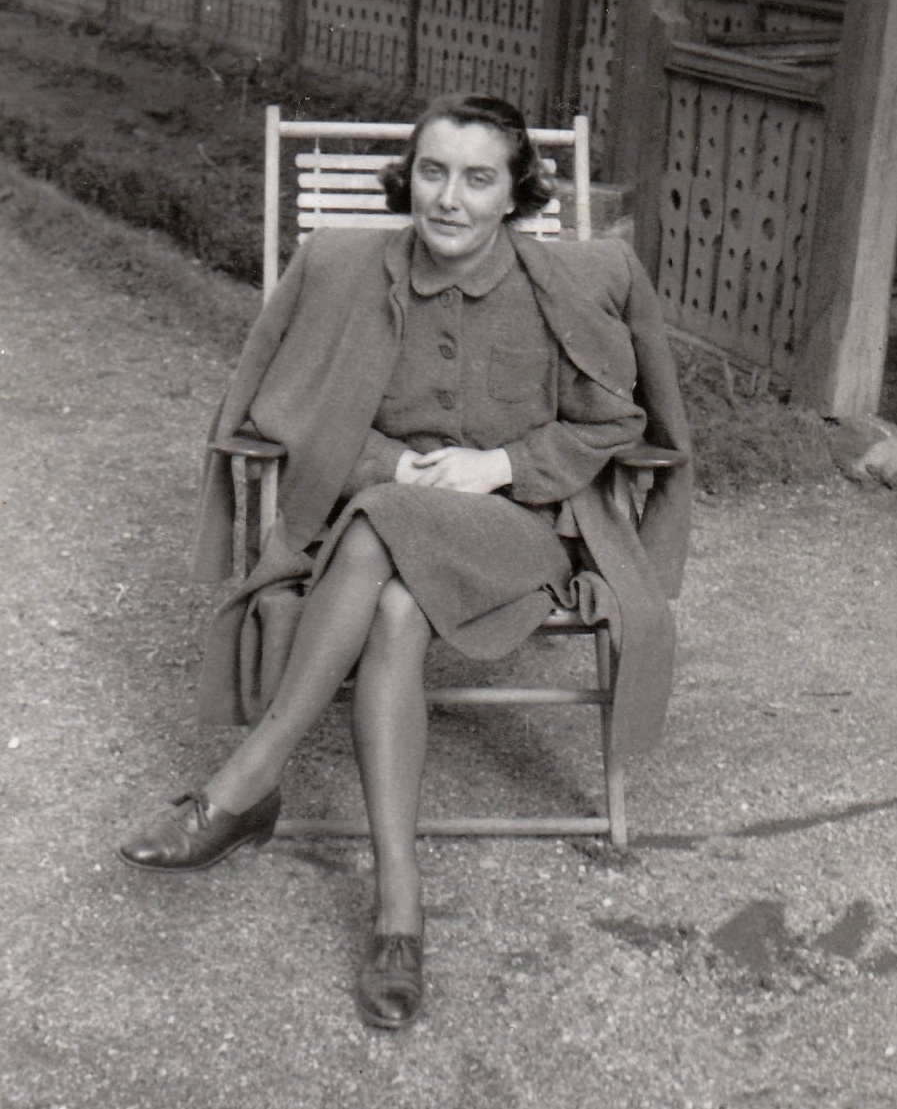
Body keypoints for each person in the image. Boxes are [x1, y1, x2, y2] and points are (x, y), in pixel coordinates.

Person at [118, 93, 691, 1031]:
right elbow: (290, 406)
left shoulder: (561, 287)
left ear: (514, 192)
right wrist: (389, 465)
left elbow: (611, 422)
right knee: (391, 595)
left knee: (379, 528)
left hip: (513, 529)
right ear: (408, 177)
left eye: (477, 178)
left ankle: (245, 783)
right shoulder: (345, 271)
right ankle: (398, 910)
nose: (449, 198)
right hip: (383, 527)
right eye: (432, 172)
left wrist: (497, 465)